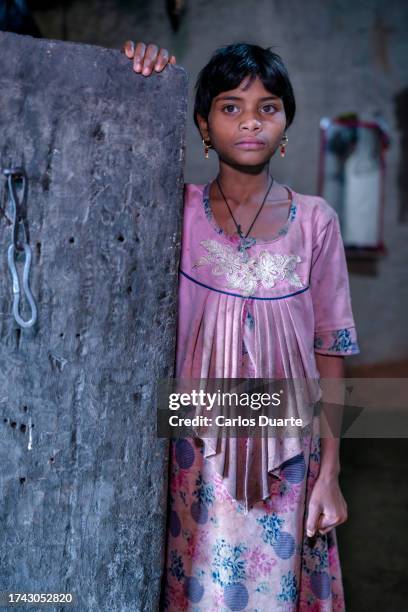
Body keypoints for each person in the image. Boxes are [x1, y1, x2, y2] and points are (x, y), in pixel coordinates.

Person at [122, 40, 360, 611]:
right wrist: (136, 77)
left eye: (268, 106)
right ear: (203, 124)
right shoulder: (172, 210)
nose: (251, 120)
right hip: (194, 450)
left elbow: (332, 349)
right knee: (197, 588)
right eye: (230, 106)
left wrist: (330, 472)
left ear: (286, 121)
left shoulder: (315, 222)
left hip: (290, 455)